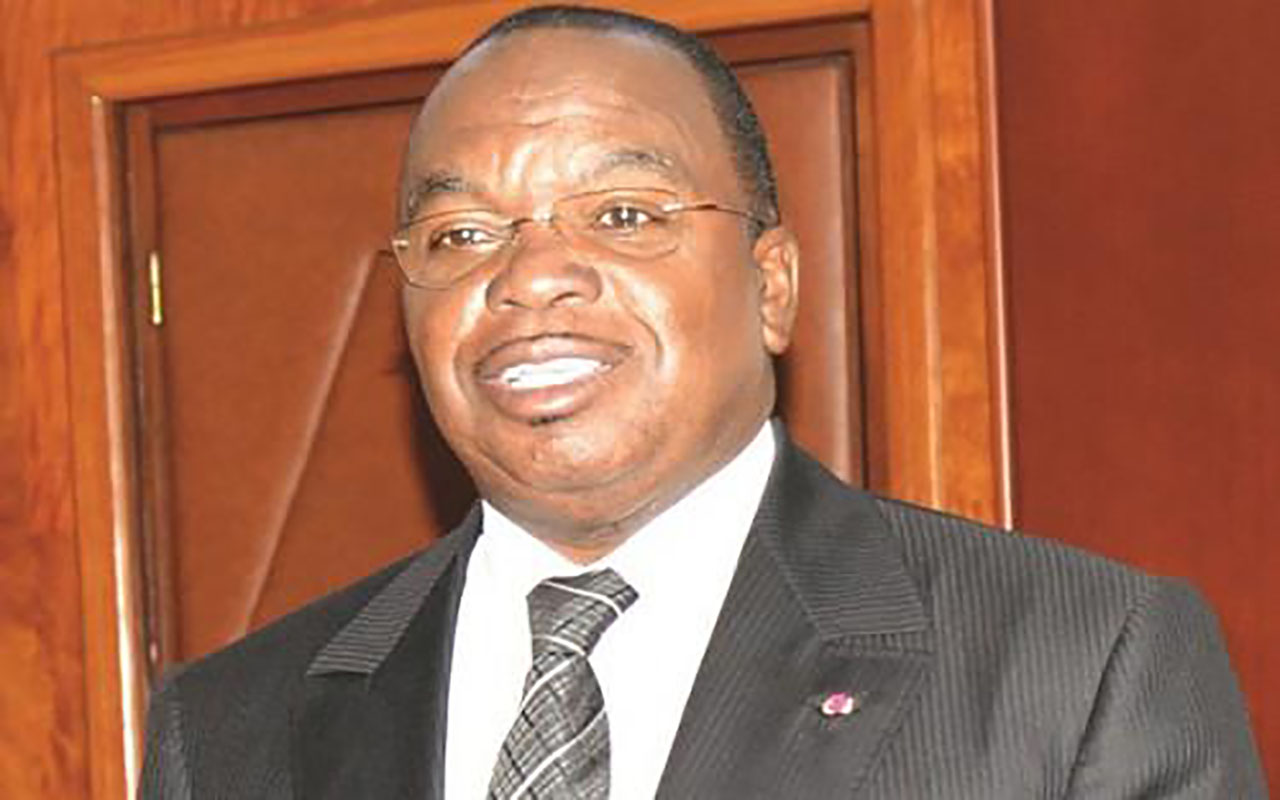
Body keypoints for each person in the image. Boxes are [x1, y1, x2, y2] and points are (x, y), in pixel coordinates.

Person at [139, 5, 1266, 798]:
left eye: (623, 215)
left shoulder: (1078, 665)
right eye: (460, 233)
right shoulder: (231, 726)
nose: (530, 276)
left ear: (771, 287)